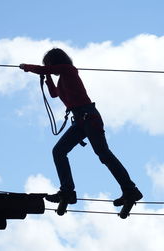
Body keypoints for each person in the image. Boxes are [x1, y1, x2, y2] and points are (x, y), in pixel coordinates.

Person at [19, 48, 142, 208]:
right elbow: (54, 94)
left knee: (103, 153)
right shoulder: (62, 78)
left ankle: (130, 189)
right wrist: (47, 76)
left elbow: (45, 70)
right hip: (80, 120)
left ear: (54, 62)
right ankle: (67, 191)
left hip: (89, 117)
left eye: (48, 64)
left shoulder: (69, 70)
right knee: (59, 151)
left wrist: (27, 67)